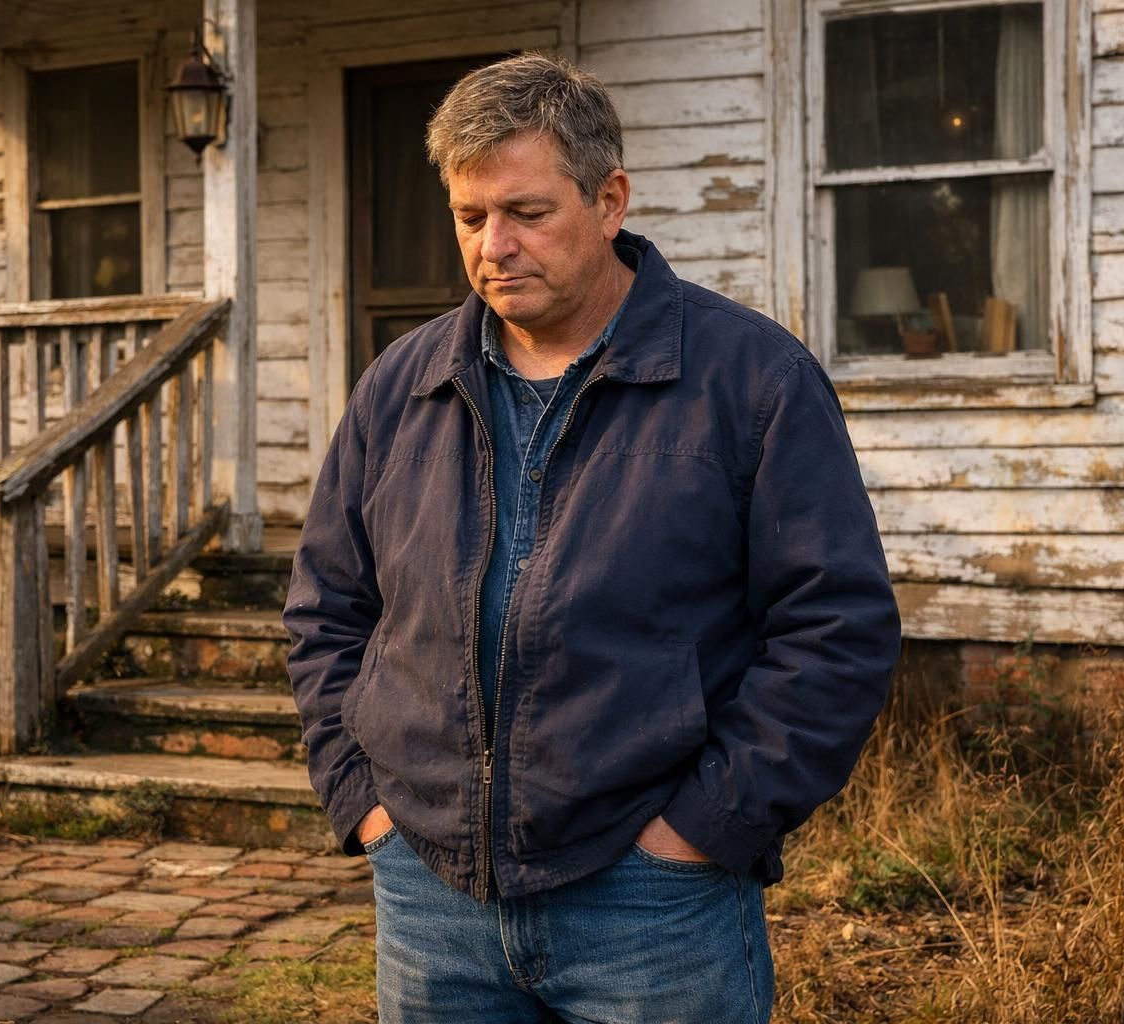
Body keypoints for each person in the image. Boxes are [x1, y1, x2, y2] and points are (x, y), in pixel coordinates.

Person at [284, 53, 901, 1024]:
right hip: (432, 895)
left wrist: (701, 831)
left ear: (609, 201)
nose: (495, 245)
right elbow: (327, 609)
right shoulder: (399, 388)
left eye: (528, 212)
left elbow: (837, 631)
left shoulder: (751, 381)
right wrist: (365, 804)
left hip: (651, 904)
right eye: (469, 217)